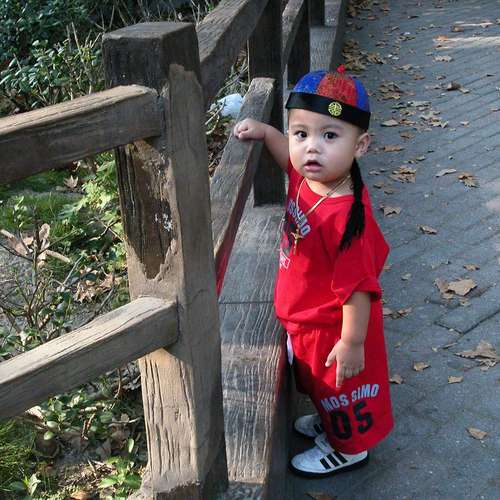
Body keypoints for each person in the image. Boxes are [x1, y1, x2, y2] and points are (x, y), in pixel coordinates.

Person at [233, 66, 393, 478]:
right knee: (318, 385)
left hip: (332, 327)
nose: (311, 149)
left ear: (361, 145)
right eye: (301, 134)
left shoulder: (346, 218)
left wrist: (352, 343)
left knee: (340, 386)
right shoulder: (308, 177)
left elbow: (359, 289)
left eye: (330, 136)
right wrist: (267, 132)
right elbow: (285, 155)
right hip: (305, 317)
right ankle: (328, 419)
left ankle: (349, 448)